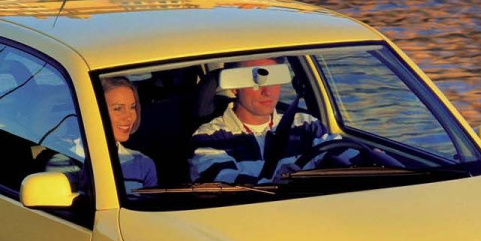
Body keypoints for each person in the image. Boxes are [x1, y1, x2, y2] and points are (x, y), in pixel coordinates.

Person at [189, 58, 332, 184]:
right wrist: (274, 183)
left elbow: (347, 157)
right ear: (234, 88)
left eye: (274, 80)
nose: (268, 92)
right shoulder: (209, 137)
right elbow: (222, 182)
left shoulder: (307, 125)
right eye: (256, 80)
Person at [102, 76, 158, 192]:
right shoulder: (69, 161)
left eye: (132, 107)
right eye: (118, 108)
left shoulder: (143, 164)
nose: (129, 116)